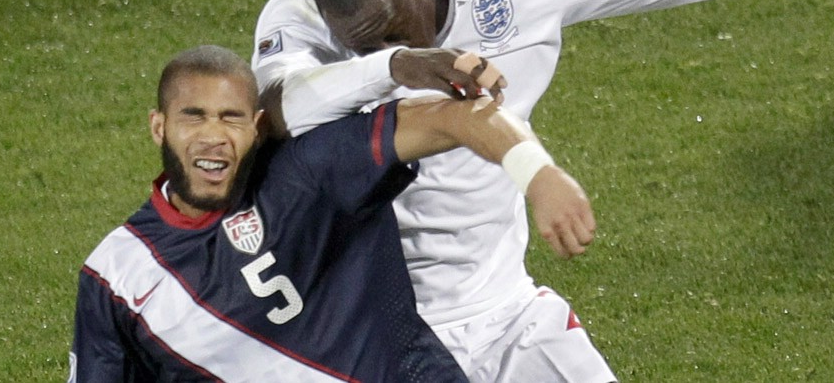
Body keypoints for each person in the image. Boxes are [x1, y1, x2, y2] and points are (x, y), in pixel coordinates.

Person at [251, 0, 834, 381]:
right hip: (370, 332)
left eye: (393, 31)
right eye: (366, 45)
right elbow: (280, 104)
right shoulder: (304, 14)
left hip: (503, 309)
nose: (385, 48)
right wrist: (398, 64)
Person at [69, 45, 594, 382]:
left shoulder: (308, 175)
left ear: (257, 127)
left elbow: (453, 116)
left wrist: (538, 174)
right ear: (159, 127)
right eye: (194, 117)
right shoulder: (117, 276)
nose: (213, 136)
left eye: (230, 118)